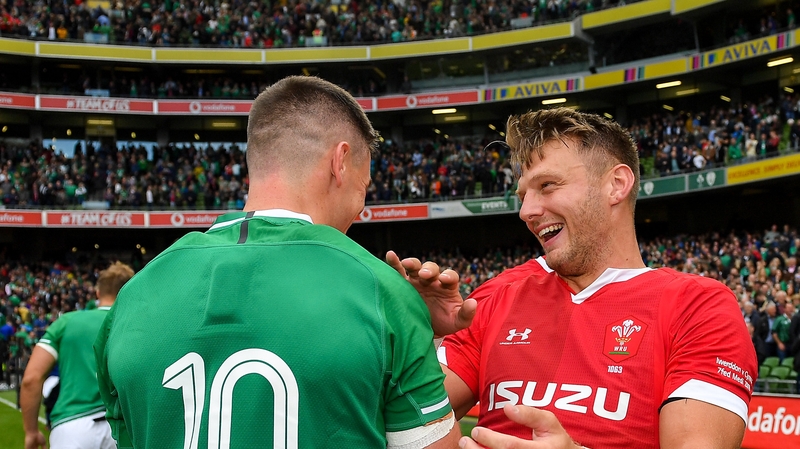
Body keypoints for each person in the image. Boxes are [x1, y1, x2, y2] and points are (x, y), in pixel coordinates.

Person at [94, 76, 460, 449]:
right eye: (363, 188)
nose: (359, 210)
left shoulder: (132, 298)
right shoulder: (380, 291)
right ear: (341, 161)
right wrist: (413, 325)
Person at [389, 107, 756, 449]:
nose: (527, 211)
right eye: (524, 194)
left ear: (616, 184)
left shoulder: (700, 307)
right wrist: (414, 336)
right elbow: (398, 418)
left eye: (547, 185)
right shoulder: (496, 295)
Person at [20, 261, 134, 449]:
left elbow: (31, 379)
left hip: (71, 427)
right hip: (122, 427)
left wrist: (31, 432)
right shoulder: (135, 326)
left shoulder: (67, 321)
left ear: (98, 293)